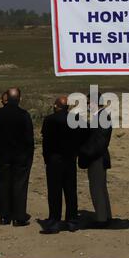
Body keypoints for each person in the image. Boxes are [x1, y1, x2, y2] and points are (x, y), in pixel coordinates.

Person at [0, 87, 34, 227]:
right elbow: (29, 137)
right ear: (19, 99)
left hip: (3, 155)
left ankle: (4, 216)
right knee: (20, 186)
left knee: (4, 185)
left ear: (7, 99)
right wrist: (29, 154)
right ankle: (19, 216)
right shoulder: (24, 115)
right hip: (21, 156)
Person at [40, 96, 82, 234]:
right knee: (70, 191)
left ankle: (54, 220)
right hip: (70, 159)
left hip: (54, 160)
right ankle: (72, 221)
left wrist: (46, 158)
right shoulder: (76, 119)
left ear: (57, 106)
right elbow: (83, 136)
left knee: (54, 191)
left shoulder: (49, 120)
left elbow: (46, 142)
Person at [79, 93, 113, 228]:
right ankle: (105, 216)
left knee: (97, 189)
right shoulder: (99, 116)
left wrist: (86, 154)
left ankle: (101, 219)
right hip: (98, 157)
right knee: (101, 188)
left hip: (97, 158)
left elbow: (99, 142)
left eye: (88, 103)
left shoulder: (102, 116)